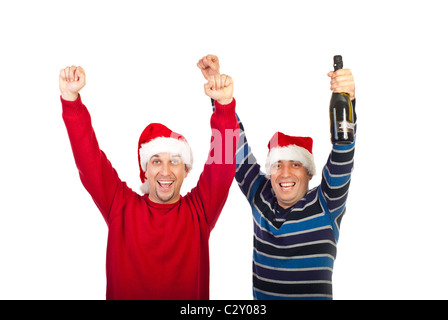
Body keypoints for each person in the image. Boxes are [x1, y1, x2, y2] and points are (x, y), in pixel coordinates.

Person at [59, 64, 239, 300]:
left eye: (174, 161)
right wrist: (71, 100)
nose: (165, 171)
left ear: (186, 170)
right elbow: (88, 159)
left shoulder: (199, 211)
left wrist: (224, 107)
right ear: (144, 171)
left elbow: (223, 166)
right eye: (156, 161)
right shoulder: (120, 206)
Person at [197, 55, 356, 300]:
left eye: (295, 165)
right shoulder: (261, 195)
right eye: (277, 165)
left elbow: (343, 151)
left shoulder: (327, 203)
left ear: (309, 173)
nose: (285, 173)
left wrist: (347, 99)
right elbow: (232, 148)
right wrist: (222, 100)